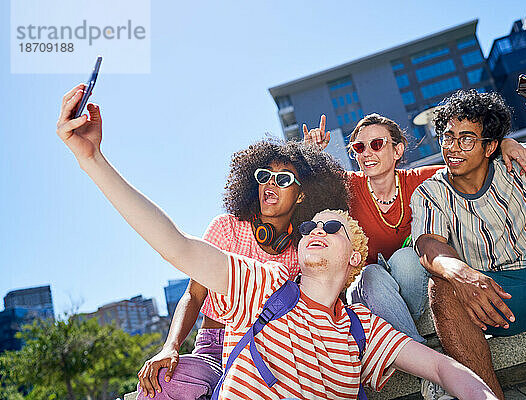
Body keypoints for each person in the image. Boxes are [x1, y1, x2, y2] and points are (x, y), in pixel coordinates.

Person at [56, 87, 499, 400]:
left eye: (331, 229)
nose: (315, 233)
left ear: (355, 260)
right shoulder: (259, 284)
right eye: (310, 230)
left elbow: (443, 368)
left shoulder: (363, 328)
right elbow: (175, 246)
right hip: (222, 343)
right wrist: (92, 159)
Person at [54, 86, 348, 400]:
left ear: (302, 194)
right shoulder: (226, 228)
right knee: (164, 381)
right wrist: (170, 346)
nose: (271, 185)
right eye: (264, 176)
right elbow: (193, 295)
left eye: (285, 179)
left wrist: (314, 157)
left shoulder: (306, 247)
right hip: (213, 348)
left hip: (276, 354)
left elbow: (340, 230)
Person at [410, 72, 526, 399]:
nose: (453, 148)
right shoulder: (431, 191)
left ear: (491, 146)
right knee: (440, 285)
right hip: (499, 297)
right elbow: (429, 243)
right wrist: (461, 273)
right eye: (447, 136)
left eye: (466, 139)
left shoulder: (521, 159)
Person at [303, 114, 526, 343]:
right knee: (371, 273)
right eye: (359, 147)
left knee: (408, 257)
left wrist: (505, 142)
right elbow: (305, 187)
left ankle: (409, 347)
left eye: (376, 144)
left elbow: (470, 163)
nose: (367, 153)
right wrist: (311, 153)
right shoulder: (348, 186)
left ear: (398, 150)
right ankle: (422, 349)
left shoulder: (423, 180)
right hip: (367, 292)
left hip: (413, 280)